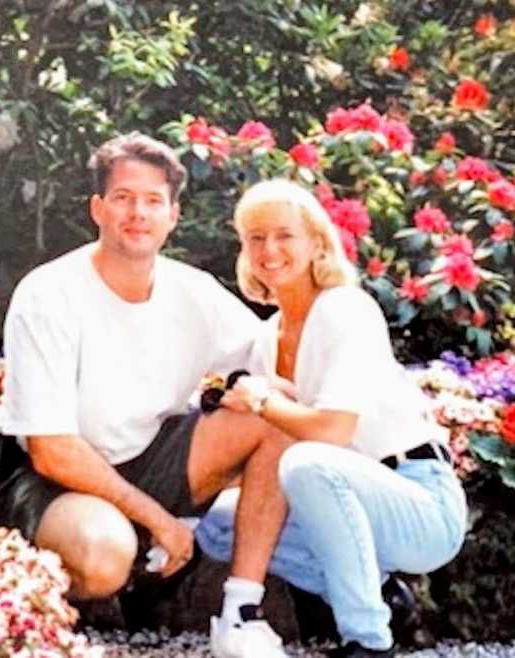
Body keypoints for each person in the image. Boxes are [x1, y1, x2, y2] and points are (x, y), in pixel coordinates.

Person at [0, 134, 295, 658]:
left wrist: (240, 388)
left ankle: (241, 612)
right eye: (123, 198)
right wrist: (159, 520)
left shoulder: (193, 291)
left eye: (153, 201)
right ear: (97, 209)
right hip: (49, 477)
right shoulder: (48, 295)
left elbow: (273, 360)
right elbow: (52, 450)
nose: (138, 213)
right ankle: (82, 596)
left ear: (173, 215)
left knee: (277, 416)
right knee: (103, 556)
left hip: (151, 454)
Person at [195, 179, 468, 658]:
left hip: (418, 500)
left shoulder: (346, 309)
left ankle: (368, 640)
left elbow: (332, 432)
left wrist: (260, 400)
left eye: (284, 235)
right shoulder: (266, 337)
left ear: (317, 242)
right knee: (216, 524)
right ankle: (382, 595)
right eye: (256, 238)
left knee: (307, 464)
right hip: (341, 500)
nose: (269, 249)